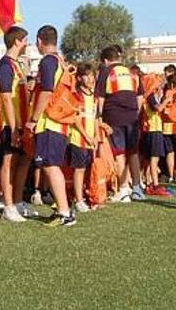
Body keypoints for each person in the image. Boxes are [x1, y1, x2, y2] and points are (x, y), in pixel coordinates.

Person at [26, 25, 75, 226]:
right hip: (61, 122)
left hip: (50, 122)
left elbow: (46, 92)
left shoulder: (48, 62)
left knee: (50, 166)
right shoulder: (61, 62)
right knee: (51, 165)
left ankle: (64, 212)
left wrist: (33, 119)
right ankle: (63, 209)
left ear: (39, 41)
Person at [95, 45, 145, 202]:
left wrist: (99, 116)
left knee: (120, 153)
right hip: (132, 117)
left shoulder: (106, 72)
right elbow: (140, 96)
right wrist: (136, 113)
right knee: (134, 152)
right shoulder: (132, 73)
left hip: (114, 116)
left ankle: (123, 189)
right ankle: (137, 188)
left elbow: (100, 97)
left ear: (105, 60)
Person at [0, 26, 32, 222]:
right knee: (9, 161)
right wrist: (14, 127)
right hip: (10, 123)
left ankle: (17, 202)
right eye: (25, 40)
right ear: (17, 41)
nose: (27, 44)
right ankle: (7, 205)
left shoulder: (16, 64)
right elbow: (6, 98)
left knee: (23, 160)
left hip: (22, 122)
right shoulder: (5, 66)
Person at [68, 63, 101, 210]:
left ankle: (86, 196)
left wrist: (95, 136)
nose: (90, 79)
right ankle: (78, 200)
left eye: (92, 75)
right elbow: (74, 118)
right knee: (79, 169)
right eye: (86, 76)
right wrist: (85, 135)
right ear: (80, 78)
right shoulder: (76, 94)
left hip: (90, 139)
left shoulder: (93, 96)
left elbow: (94, 117)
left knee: (88, 168)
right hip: (78, 138)